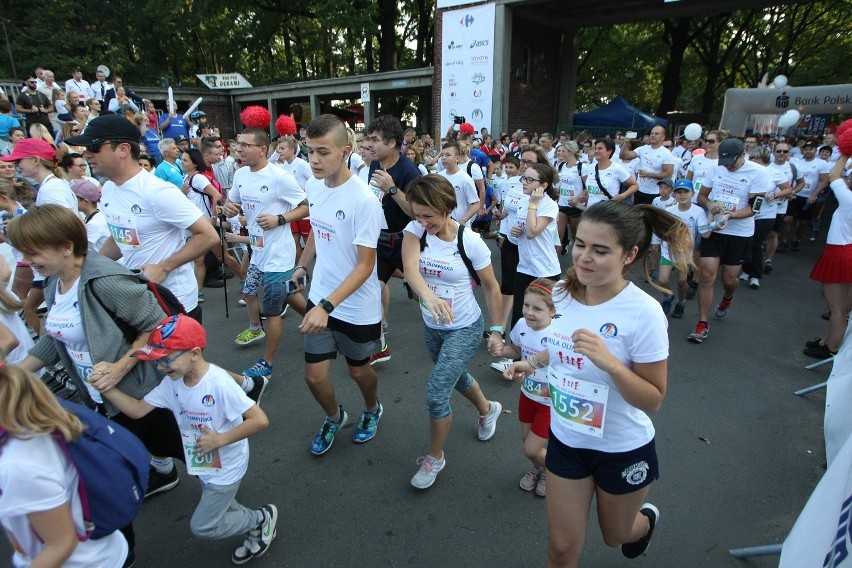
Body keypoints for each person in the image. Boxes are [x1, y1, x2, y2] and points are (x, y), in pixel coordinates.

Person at [505, 199, 694, 566]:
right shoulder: (560, 293)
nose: (584, 257)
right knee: (561, 549)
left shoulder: (644, 312)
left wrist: (610, 364)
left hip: (620, 448)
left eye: (600, 249)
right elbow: (558, 349)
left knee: (616, 536)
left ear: (630, 254)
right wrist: (528, 363)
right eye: (580, 244)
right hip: (567, 440)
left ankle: (645, 523)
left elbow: (653, 399)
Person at [9, 204, 183, 562]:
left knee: (193, 451)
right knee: (112, 470)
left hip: (138, 392)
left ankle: (237, 507)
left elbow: (157, 327)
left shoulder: (105, 279)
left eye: (33, 251)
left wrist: (119, 368)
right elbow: (52, 340)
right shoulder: (57, 280)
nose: (26, 260)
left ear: (65, 246)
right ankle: (124, 551)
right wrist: (14, 375)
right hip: (102, 398)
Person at [95, 313, 277, 565]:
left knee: (204, 525)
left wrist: (220, 440)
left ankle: (259, 519)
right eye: (157, 361)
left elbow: (259, 419)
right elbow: (137, 409)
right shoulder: (173, 382)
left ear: (193, 353)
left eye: (166, 359)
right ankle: (247, 517)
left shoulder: (219, 383)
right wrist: (107, 387)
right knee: (220, 502)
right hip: (203, 464)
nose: (160, 367)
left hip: (226, 467)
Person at [289, 114, 384, 456]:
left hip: (356, 306)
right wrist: (302, 265)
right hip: (321, 298)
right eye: (309, 151)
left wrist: (327, 306)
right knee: (313, 377)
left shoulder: (363, 200)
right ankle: (335, 416)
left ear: (345, 151)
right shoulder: (313, 186)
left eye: (323, 152)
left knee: (359, 372)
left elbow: (365, 266)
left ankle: (372, 409)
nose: (314, 160)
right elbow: (317, 227)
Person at [401, 174, 504, 489]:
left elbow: (491, 287)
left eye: (428, 215)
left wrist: (497, 330)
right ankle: (488, 409)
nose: (422, 221)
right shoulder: (415, 231)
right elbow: (409, 270)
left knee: (436, 393)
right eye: (417, 214)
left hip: (464, 327)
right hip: (432, 326)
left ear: (446, 207)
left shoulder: (469, 241)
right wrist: (428, 297)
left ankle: (435, 457)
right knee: (456, 376)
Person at [65, 114, 220, 321]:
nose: (86, 155)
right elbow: (122, 237)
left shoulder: (157, 191)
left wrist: (163, 268)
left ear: (123, 149)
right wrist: (91, 265)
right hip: (138, 299)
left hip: (173, 301)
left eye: (94, 148)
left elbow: (209, 235)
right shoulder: (109, 188)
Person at [0, 365, 129, 568]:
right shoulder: (30, 424)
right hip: (103, 552)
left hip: (85, 562)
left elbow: (61, 544)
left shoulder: (17, 466)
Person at [223, 127, 308, 381]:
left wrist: (280, 218)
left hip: (278, 256)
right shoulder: (240, 174)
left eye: (245, 145)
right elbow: (235, 204)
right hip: (257, 251)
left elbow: (306, 207)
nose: (239, 149)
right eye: (238, 144)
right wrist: (229, 208)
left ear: (262, 150)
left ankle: (267, 363)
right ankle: (322, 321)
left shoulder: (279, 177)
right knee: (285, 293)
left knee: (272, 309)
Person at [688, 138, 772, 344]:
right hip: (714, 230)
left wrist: (730, 216)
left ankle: (727, 297)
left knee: (729, 279)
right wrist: (711, 203)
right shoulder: (716, 169)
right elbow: (701, 196)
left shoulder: (759, 173)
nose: (728, 167)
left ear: (743, 155)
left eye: (731, 163)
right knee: (707, 275)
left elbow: (755, 208)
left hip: (740, 233)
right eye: (724, 163)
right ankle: (702, 324)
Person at [363, 115, 422, 363]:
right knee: (373, 287)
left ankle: (444, 328)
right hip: (380, 239)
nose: (370, 145)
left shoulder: (410, 171)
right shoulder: (374, 166)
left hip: (406, 240)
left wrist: (393, 189)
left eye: (375, 140)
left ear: (392, 142)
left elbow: (416, 211)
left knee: (423, 292)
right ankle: (380, 344)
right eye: (369, 139)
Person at [489, 278, 555, 497]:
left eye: (537, 308)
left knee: (532, 448)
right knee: (526, 441)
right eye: (526, 305)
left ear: (553, 312)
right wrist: (501, 351)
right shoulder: (521, 326)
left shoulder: (558, 336)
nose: (529, 312)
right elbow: (516, 351)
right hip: (527, 395)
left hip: (550, 402)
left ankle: (556, 471)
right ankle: (539, 468)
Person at [804, 155, 852, 359]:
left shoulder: (848, 199)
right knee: (844, 308)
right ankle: (827, 341)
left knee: (836, 308)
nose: (847, 180)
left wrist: (846, 152)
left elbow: (833, 175)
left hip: (840, 254)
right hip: (847, 252)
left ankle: (830, 348)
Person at [511, 162, 562, 327]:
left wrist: (533, 203)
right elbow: (521, 236)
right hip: (524, 266)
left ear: (543, 185)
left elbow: (532, 232)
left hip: (545, 269)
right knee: (520, 315)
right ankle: (517, 351)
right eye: (524, 178)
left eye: (530, 179)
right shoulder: (522, 203)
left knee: (544, 318)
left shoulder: (549, 205)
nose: (524, 182)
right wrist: (515, 232)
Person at [738, 147, 793, 288]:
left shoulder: (775, 173)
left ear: (761, 159)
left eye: (752, 159)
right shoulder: (748, 172)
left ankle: (755, 276)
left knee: (756, 244)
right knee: (746, 243)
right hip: (747, 213)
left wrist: (775, 195)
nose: (749, 161)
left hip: (766, 214)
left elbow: (788, 189)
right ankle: (746, 270)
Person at [656, 179, 706, 318]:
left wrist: (713, 220)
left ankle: (681, 302)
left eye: (686, 192)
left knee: (682, 281)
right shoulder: (669, 210)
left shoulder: (698, 211)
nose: (682, 195)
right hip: (668, 250)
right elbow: (662, 228)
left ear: (692, 193)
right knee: (663, 280)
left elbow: (704, 232)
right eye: (679, 192)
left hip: (685, 253)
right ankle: (668, 298)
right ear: (674, 194)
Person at [619, 125, 675, 205]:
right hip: (640, 191)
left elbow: (668, 175)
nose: (653, 135)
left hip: (655, 193)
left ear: (663, 137)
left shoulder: (666, 153)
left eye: (656, 134)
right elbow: (623, 156)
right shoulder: (643, 149)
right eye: (651, 133)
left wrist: (649, 174)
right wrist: (626, 142)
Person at [437, 141, 480, 226]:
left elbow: (476, 204)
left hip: (460, 227)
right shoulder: (439, 177)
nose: (443, 158)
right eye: (442, 155)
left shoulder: (465, 179)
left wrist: (463, 220)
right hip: (442, 225)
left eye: (448, 155)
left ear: (457, 158)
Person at [71, 179, 111, 253]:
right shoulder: (96, 217)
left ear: (86, 201)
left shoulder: (94, 224)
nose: (71, 201)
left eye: (74, 198)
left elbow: (81, 250)